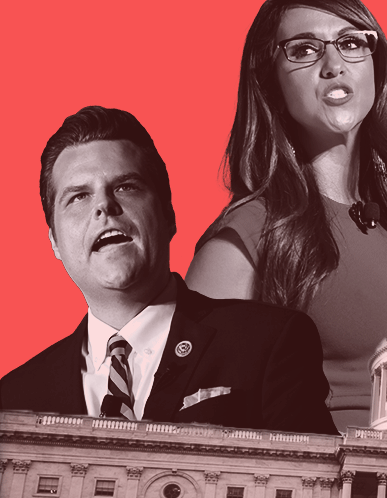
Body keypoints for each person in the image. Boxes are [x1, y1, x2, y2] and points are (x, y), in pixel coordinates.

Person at [186, 0, 387, 430]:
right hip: (333, 487)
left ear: (376, 67)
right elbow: (196, 418)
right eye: (304, 50)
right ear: (269, 82)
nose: (334, 64)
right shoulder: (246, 236)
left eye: (351, 42)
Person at [0, 106, 335, 435]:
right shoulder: (13, 399)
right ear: (55, 242)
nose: (104, 206)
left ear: (168, 215)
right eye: (78, 197)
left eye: (125, 186)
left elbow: (318, 482)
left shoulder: (270, 342)